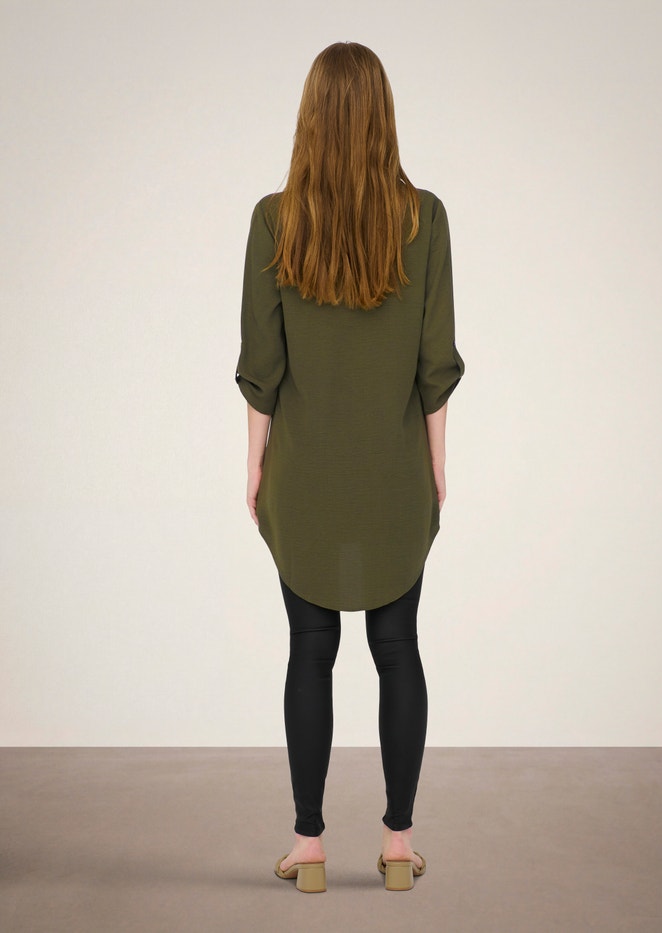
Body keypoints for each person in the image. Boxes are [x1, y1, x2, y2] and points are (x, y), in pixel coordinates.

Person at [235, 41, 465, 893]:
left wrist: (254, 469)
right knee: (399, 646)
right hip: (394, 475)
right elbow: (435, 365)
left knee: (310, 649)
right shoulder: (425, 218)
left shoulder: (275, 220)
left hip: (305, 477)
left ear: (311, 118)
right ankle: (398, 842)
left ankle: (309, 845)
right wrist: (436, 468)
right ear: (382, 118)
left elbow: (262, 367)